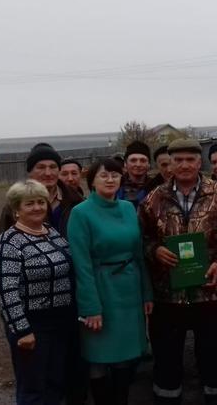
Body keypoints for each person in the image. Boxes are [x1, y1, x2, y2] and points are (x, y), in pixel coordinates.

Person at [139, 138, 217, 405]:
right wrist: (154, 251)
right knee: (166, 358)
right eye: (178, 160)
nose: (184, 165)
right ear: (169, 164)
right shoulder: (155, 197)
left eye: (190, 159)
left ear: (200, 163)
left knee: (214, 355)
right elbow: (140, 238)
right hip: (168, 294)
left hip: (209, 291)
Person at [67, 158, 153, 405]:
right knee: (100, 356)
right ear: (92, 181)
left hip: (129, 290)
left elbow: (138, 253)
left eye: (115, 175)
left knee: (126, 355)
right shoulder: (80, 213)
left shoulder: (128, 208)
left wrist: (147, 292)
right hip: (101, 289)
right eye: (103, 175)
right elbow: (81, 265)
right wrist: (90, 307)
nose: (110, 179)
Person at [0, 180, 75, 404]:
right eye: (29, 204)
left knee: (55, 382)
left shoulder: (52, 233)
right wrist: (22, 331)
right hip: (33, 325)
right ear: (16, 209)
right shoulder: (9, 242)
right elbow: (6, 291)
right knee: (33, 388)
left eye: (41, 202)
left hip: (60, 322)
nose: (37, 207)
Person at [0, 143, 83, 237]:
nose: (48, 173)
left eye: (52, 167)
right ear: (30, 172)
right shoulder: (15, 205)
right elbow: (3, 241)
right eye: (41, 167)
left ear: (59, 170)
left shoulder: (76, 200)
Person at [117, 140, 154, 208]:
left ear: (149, 164)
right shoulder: (115, 187)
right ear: (125, 164)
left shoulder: (156, 188)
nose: (138, 164)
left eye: (143, 160)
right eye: (133, 160)